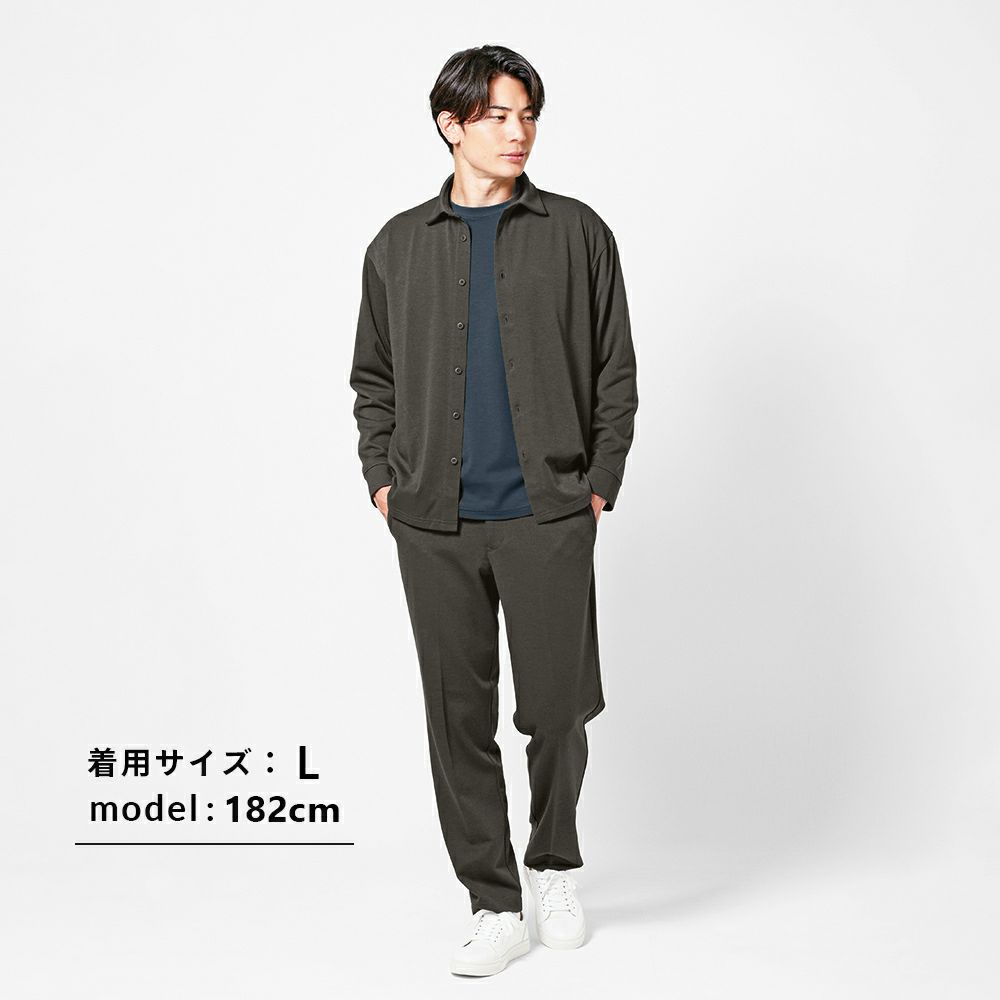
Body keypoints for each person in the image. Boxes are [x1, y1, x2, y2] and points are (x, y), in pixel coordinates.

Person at [349, 43, 638, 977]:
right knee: (457, 716)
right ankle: (493, 900)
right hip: (432, 520)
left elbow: (616, 371)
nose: (519, 133)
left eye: (528, 115)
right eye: (498, 116)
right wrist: (382, 479)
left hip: (548, 513)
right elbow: (373, 379)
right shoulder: (398, 245)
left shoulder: (577, 233)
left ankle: (553, 865)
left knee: (557, 708)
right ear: (452, 125)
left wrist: (599, 480)